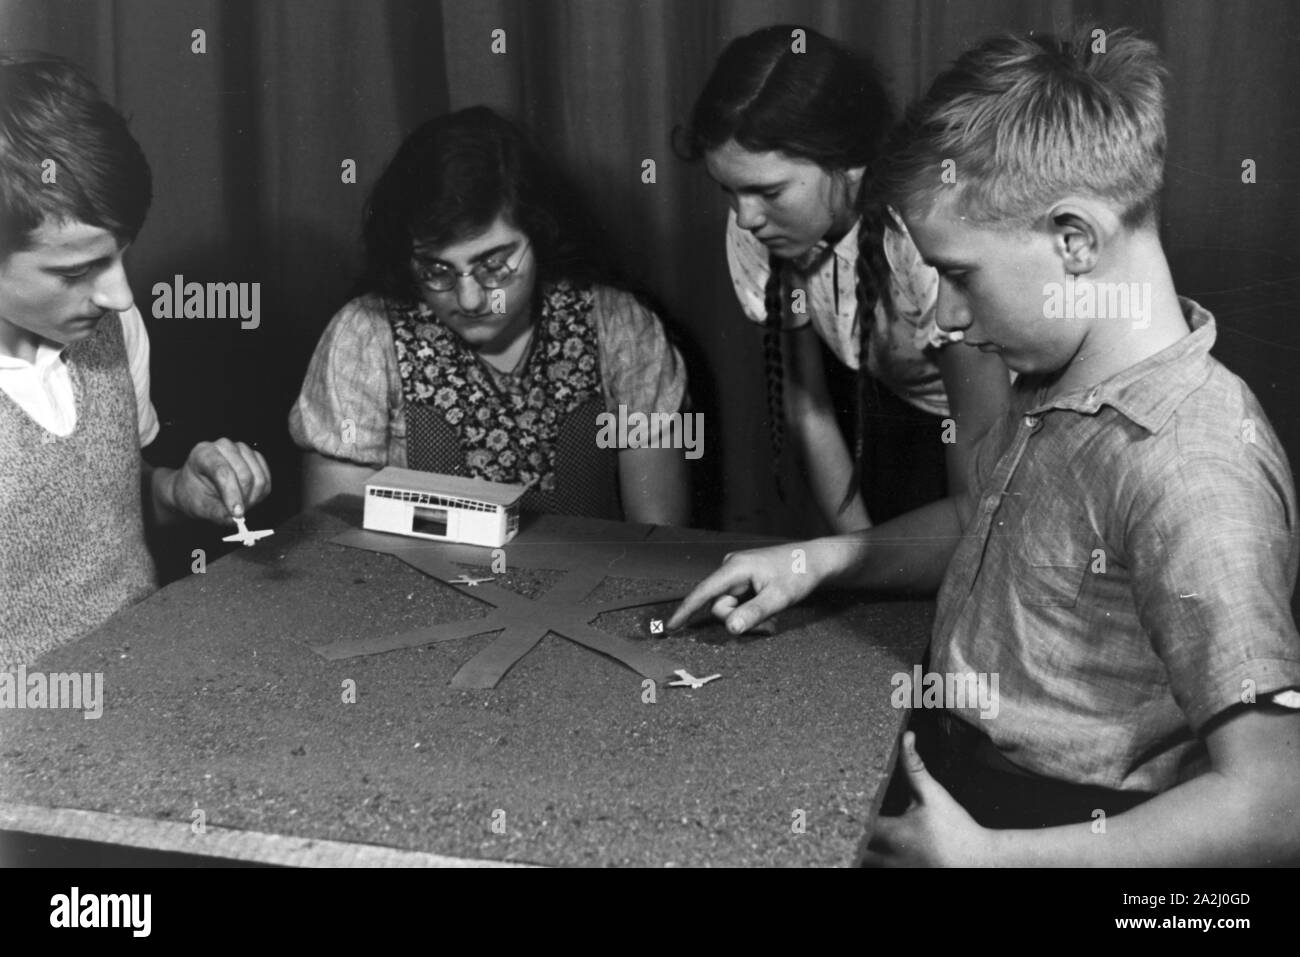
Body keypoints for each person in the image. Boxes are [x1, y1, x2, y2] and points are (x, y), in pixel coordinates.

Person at [668, 27, 1300, 865]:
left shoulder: (1193, 464)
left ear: (1074, 240)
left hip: (1049, 823)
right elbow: (981, 522)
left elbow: (1275, 803)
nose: (949, 320)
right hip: (956, 765)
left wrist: (993, 857)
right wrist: (818, 560)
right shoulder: (1053, 377)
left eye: (962, 276)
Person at [677, 25, 1009, 530]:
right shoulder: (757, 228)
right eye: (728, 190)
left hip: (1001, 427)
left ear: (850, 167)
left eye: (769, 192)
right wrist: (857, 551)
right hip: (902, 415)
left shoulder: (920, 240)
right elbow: (809, 410)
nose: (745, 217)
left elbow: (978, 434)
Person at [291, 106, 690, 525]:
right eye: (436, 270)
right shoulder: (364, 336)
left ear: (540, 233)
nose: (469, 298)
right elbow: (334, 549)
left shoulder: (620, 326)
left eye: (493, 264)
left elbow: (659, 541)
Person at [0, 53, 271, 669]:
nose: (120, 295)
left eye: (120, 255)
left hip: (139, 685)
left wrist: (176, 490)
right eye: (76, 270)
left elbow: (104, 501)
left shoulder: (113, 325)